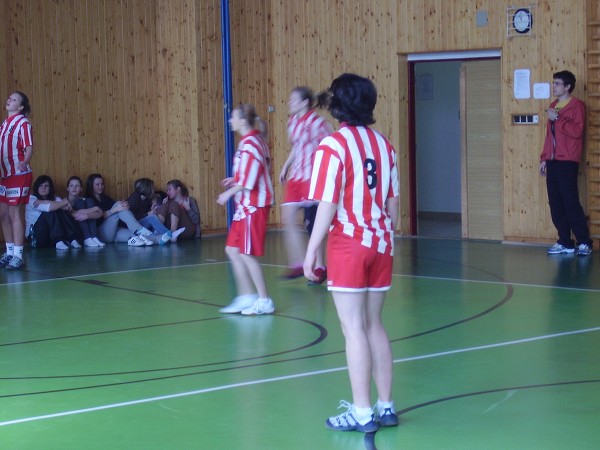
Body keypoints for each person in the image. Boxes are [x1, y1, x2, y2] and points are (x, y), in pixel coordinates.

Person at [303, 74, 400, 432]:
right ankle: (386, 406)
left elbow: (327, 205)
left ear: (337, 105)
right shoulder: (384, 145)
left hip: (349, 244)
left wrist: (312, 252)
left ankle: (361, 413)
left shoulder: (333, 147)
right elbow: (393, 206)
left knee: (353, 329)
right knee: (375, 324)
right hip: (381, 244)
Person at [217, 104, 275, 315]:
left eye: (232, 117)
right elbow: (252, 171)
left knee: (248, 253)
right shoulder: (248, 142)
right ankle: (246, 296)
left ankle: (264, 299)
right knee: (232, 249)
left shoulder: (251, 144)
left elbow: (250, 180)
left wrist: (228, 193)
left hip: (254, 206)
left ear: (242, 121)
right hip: (245, 206)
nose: (229, 121)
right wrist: (235, 179)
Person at [279, 86, 332, 282]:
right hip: (296, 177)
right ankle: (298, 263)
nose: (289, 103)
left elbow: (331, 145)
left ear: (304, 102)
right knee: (288, 218)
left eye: (293, 100)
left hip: (312, 177)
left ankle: (319, 266)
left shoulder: (318, 123)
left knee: (312, 225)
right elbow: (296, 147)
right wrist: (286, 166)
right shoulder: (292, 122)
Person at [539, 70, 592, 256]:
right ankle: (565, 241)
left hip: (567, 161)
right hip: (553, 161)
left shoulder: (576, 106)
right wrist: (544, 158)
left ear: (567, 86)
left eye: (557, 83)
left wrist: (558, 119)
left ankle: (584, 242)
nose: (554, 86)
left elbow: (577, 131)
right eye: (554, 83)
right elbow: (549, 137)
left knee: (570, 201)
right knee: (555, 203)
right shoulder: (554, 105)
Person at [0, 91, 34, 270]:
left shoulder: (23, 123)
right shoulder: (4, 124)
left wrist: (25, 162)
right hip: (4, 176)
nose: (9, 100)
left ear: (20, 107)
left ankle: (19, 255)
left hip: (18, 175)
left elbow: (29, 147)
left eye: (13, 99)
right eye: (9, 98)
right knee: (3, 215)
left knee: (14, 214)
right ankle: (10, 251)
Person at [84, 173, 157, 246]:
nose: (101, 186)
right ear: (91, 186)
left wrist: (124, 205)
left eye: (102, 184)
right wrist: (117, 208)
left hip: (113, 233)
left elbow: (119, 207)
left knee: (140, 237)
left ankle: (159, 238)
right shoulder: (89, 200)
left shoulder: (105, 198)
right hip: (101, 233)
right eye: (97, 184)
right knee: (119, 205)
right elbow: (99, 216)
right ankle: (138, 229)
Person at [25, 175, 81, 249]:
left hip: (49, 236)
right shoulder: (31, 199)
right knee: (48, 212)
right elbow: (50, 208)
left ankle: (72, 239)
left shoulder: (55, 198)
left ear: (50, 188)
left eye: (46, 186)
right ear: (37, 187)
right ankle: (58, 241)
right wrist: (63, 202)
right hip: (35, 237)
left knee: (59, 210)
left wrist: (60, 204)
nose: (43, 188)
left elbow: (67, 207)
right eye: (40, 186)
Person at [126, 178, 172, 244]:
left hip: (141, 225)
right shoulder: (134, 198)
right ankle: (170, 235)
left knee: (154, 216)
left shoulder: (146, 199)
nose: (153, 189)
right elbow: (132, 217)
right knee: (152, 218)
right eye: (152, 187)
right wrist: (148, 213)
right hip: (133, 226)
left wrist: (151, 210)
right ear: (147, 189)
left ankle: (162, 236)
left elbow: (160, 194)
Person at [66, 175, 105, 247]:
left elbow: (100, 214)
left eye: (77, 186)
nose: (74, 188)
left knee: (89, 200)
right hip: (74, 232)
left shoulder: (85, 200)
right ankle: (87, 238)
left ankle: (93, 237)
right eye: (71, 186)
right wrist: (95, 208)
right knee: (80, 202)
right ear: (67, 188)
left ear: (81, 189)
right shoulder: (64, 201)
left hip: (87, 230)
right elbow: (75, 214)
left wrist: (87, 216)